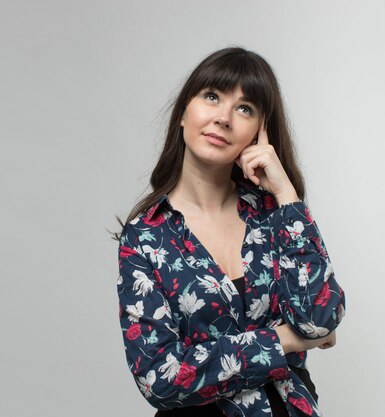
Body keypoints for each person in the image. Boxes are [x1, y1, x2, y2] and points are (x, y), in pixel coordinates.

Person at [112, 46, 346, 417]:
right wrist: (282, 340)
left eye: (245, 108)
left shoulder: (275, 215)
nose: (223, 118)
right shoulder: (146, 237)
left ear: (259, 131)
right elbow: (159, 378)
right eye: (211, 97)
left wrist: (286, 193)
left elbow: (319, 319)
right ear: (183, 114)